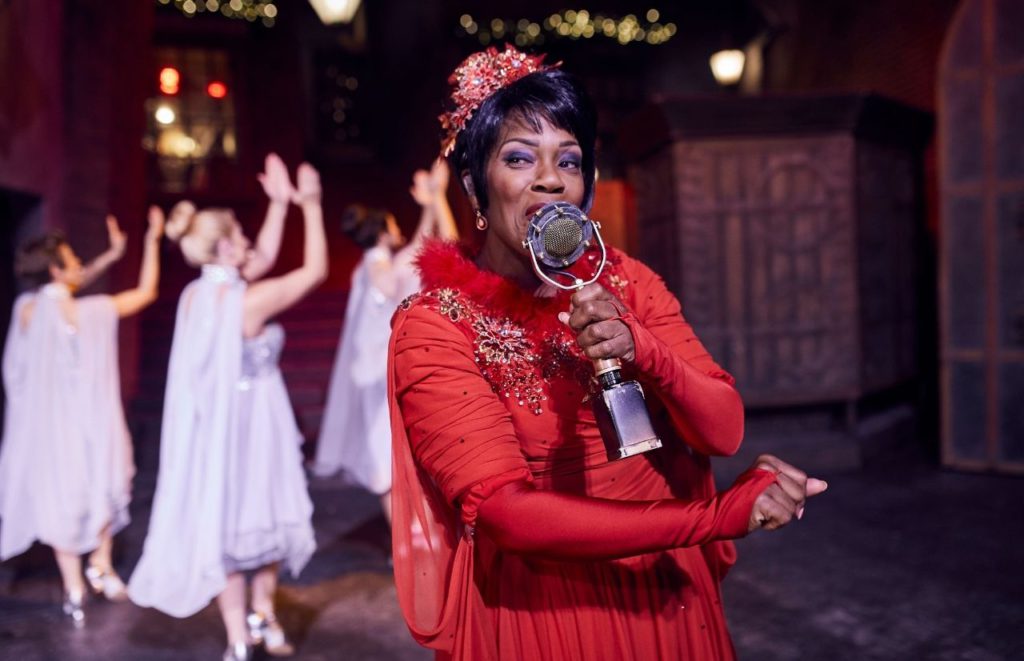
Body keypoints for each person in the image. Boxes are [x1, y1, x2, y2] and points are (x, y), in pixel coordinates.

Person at [387, 45, 828, 660]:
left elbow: (723, 430)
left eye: (568, 160)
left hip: (666, 592)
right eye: (519, 158)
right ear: (474, 186)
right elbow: (506, 515)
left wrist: (641, 347)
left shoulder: (626, 281)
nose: (550, 178)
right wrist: (712, 518)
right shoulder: (435, 327)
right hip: (547, 611)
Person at [127, 154, 327, 661]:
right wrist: (310, 205)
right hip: (256, 423)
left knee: (237, 519)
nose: (249, 241)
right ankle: (255, 620)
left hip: (217, 428)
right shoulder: (247, 302)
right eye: (239, 234)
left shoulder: (197, 294)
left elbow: (256, 260)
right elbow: (314, 270)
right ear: (223, 246)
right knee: (262, 514)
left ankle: (245, 631)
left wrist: (279, 206)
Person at [0, 209, 164, 626]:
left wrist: (111, 256)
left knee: (65, 494)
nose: (79, 266)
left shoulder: (26, 307)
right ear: (57, 269)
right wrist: (151, 241)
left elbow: (65, 287)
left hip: (45, 430)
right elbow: (144, 293)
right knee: (101, 483)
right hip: (87, 423)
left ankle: (80, 583)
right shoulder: (87, 313)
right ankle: (98, 566)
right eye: (73, 260)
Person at [312, 159, 458, 526]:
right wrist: (436, 199)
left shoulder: (369, 265)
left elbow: (415, 249)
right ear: (382, 232)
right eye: (393, 224)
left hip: (374, 374)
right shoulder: (380, 271)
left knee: (388, 453)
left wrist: (429, 203)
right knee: (388, 453)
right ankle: (409, 540)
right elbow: (428, 252)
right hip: (383, 377)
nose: (399, 229)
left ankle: (408, 539)